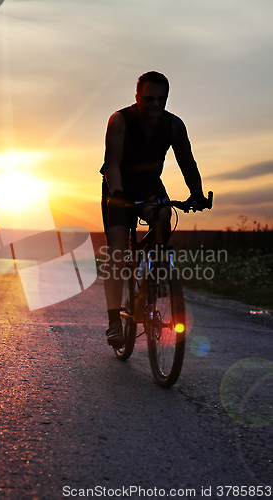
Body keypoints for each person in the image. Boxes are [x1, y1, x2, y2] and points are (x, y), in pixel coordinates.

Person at [100, 71, 208, 348]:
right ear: (137, 97)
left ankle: (155, 269)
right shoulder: (120, 120)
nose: (156, 105)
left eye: (162, 99)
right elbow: (111, 161)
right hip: (118, 187)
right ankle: (114, 321)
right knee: (117, 250)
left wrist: (196, 193)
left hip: (149, 187)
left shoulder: (173, 125)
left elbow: (187, 162)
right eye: (149, 99)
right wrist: (118, 194)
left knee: (163, 215)